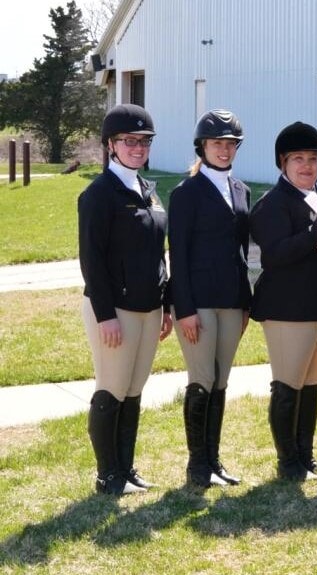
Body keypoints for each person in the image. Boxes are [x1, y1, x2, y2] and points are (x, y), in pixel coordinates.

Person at [78, 104, 173, 495]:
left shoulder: (147, 190)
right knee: (112, 388)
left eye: (144, 141)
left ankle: (127, 468)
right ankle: (107, 475)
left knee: (134, 391)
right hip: (114, 309)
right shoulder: (99, 194)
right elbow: (92, 261)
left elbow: (158, 253)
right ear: (111, 145)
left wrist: (166, 305)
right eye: (128, 141)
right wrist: (105, 316)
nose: (137, 147)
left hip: (150, 308)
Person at [168, 109, 251, 488]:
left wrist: (246, 302)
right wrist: (182, 308)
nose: (223, 149)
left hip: (232, 302)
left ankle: (215, 461)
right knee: (202, 379)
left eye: (230, 143)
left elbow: (242, 253)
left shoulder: (241, 189)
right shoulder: (186, 192)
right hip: (198, 302)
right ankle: (197, 465)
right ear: (202, 146)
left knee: (221, 382)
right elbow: (178, 254)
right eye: (217, 143)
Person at [250, 122, 317, 481]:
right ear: (282, 163)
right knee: (287, 384)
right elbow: (275, 254)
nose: (307, 166)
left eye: (313, 159)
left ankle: (306, 455)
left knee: (312, 383)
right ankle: (287, 462)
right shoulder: (271, 204)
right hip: (287, 310)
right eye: (298, 159)